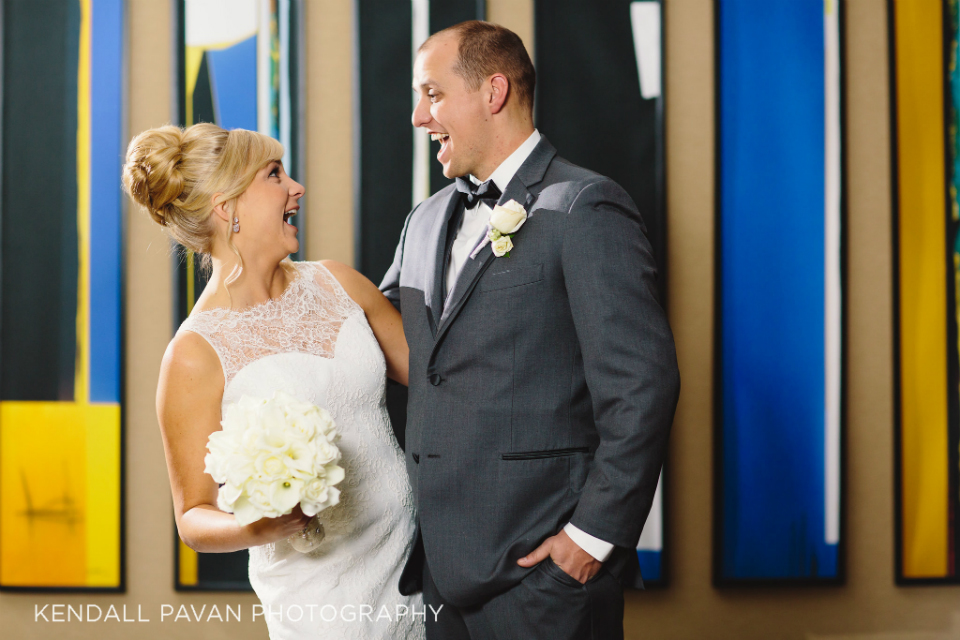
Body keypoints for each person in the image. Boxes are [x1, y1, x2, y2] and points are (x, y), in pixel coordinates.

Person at [380, 20, 680, 640]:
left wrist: (589, 540)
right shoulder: (425, 220)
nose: (417, 116)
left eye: (432, 95)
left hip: (544, 584)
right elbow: (377, 340)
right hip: (436, 580)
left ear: (493, 92)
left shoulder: (585, 207)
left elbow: (641, 387)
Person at [122, 123, 424, 639]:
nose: (296, 187)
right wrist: (257, 527)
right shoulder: (194, 354)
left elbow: (437, 378)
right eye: (275, 174)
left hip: (416, 567)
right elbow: (193, 516)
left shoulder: (339, 281)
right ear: (227, 207)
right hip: (323, 596)